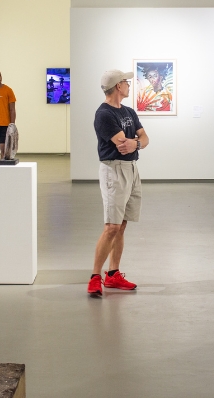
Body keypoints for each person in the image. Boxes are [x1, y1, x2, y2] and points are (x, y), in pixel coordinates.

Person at [87, 69, 149, 298]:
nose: (129, 84)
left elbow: (145, 138)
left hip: (131, 169)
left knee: (121, 224)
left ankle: (113, 274)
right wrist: (135, 142)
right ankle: (95, 276)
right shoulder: (103, 114)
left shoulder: (129, 111)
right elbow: (122, 143)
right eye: (125, 81)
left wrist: (137, 144)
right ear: (117, 86)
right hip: (114, 170)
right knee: (111, 226)